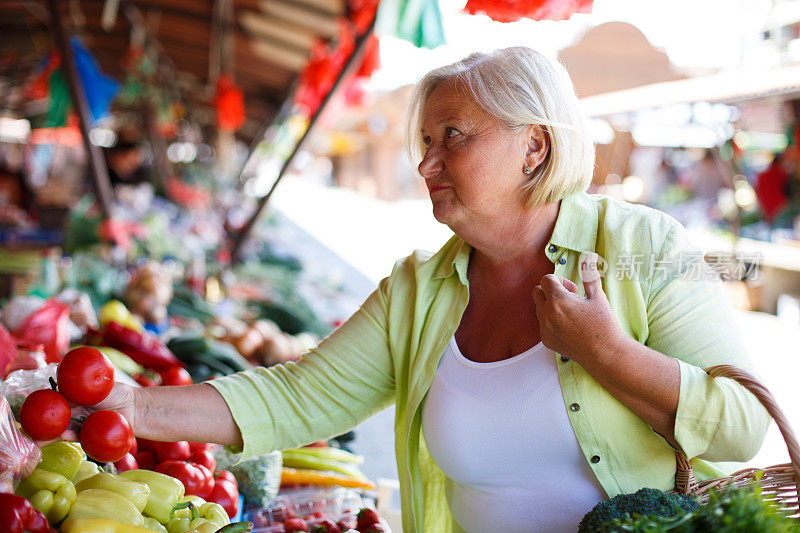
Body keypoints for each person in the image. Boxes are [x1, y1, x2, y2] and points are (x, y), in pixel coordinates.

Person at [91, 48, 769, 532]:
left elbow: (743, 425)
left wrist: (608, 352)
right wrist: (128, 405)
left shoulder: (642, 248)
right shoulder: (419, 288)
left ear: (534, 148)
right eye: (424, 138)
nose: (424, 162)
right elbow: (295, 396)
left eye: (453, 136)